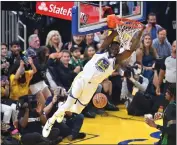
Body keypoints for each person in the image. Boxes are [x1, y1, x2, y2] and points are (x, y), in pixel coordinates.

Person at [42, 26, 146, 137]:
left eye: (117, 48)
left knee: (77, 110)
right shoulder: (101, 51)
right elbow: (110, 38)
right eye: (114, 47)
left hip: (93, 86)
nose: (115, 49)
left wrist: (140, 33)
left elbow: (131, 50)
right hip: (82, 79)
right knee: (69, 103)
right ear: (109, 47)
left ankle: (61, 111)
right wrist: (116, 29)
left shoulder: (116, 60)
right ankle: (51, 121)